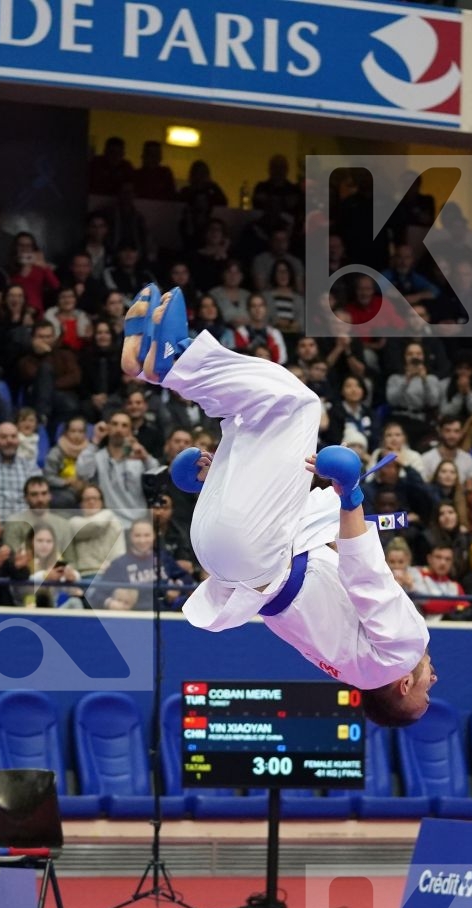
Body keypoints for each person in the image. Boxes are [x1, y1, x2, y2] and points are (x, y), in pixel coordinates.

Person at [123, 288, 435, 725]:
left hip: (259, 557)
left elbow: (367, 577)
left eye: (425, 695)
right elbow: (310, 545)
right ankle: (151, 362)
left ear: (404, 685)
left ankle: (173, 362)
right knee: (247, 422)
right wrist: (222, 481)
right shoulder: (349, 665)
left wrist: (351, 494)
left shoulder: (402, 651)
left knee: (298, 405)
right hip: (227, 559)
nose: (433, 682)